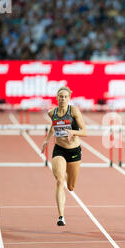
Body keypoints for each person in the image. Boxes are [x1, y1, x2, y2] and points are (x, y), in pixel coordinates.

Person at [41, 86, 87, 226]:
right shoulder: (52, 113)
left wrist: (73, 132)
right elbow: (54, 126)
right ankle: (61, 216)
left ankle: (66, 174)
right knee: (60, 181)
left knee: (71, 186)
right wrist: (47, 140)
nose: (63, 99)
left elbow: (84, 131)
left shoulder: (73, 111)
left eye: (65, 96)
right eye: (60, 96)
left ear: (69, 98)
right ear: (57, 98)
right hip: (59, 149)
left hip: (73, 151)